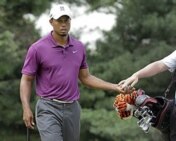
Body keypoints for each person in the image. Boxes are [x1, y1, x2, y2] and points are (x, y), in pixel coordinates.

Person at [20, 4, 123, 141]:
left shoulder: (79, 47)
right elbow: (26, 80)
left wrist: (115, 87)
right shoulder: (37, 48)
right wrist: (26, 108)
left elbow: (86, 78)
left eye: (66, 20)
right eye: (59, 21)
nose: (64, 24)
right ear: (51, 22)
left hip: (72, 108)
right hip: (48, 108)